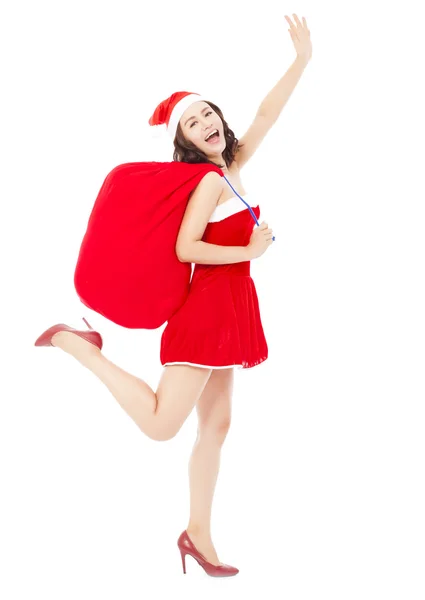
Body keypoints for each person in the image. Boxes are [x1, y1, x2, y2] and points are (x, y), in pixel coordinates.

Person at [34, 13, 312, 578]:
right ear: (183, 140)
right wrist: (250, 251)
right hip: (209, 309)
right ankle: (74, 342)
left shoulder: (229, 169)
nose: (206, 122)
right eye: (192, 121)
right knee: (163, 425)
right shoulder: (208, 183)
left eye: (209, 112)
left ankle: (198, 535)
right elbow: (188, 248)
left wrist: (301, 60)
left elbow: (264, 115)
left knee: (217, 427)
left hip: (233, 310)